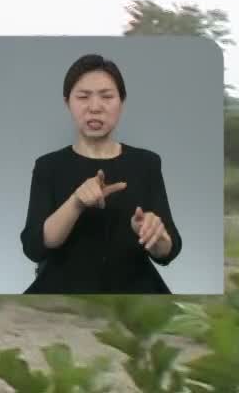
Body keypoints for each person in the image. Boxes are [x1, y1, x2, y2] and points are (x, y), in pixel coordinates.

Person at [19, 53, 181, 293]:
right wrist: (75, 203)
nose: (95, 107)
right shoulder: (48, 166)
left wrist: (154, 234)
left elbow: (168, 251)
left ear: (121, 102)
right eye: (83, 97)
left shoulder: (146, 163)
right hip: (63, 288)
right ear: (68, 103)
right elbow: (35, 248)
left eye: (107, 96)